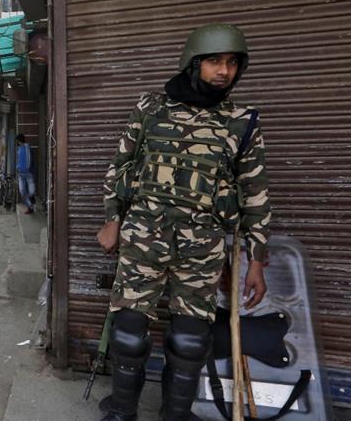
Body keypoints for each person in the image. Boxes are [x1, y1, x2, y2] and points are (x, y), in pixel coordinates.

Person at [95, 24, 270, 421]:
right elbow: (120, 166)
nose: (224, 71)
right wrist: (111, 220)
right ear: (193, 63)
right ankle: (122, 411)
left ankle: (176, 414)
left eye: (232, 63)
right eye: (213, 61)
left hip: (202, 246)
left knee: (191, 339)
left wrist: (256, 260)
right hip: (142, 236)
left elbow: (255, 194)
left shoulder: (242, 122)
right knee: (127, 333)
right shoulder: (151, 108)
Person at [15, 134, 36, 214]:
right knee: (22, 191)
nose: (16, 142)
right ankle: (30, 206)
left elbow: (30, 160)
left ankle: (31, 203)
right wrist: (17, 167)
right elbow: (18, 160)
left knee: (31, 191)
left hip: (29, 173)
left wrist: (30, 170)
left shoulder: (28, 148)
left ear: (19, 140)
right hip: (21, 174)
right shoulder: (18, 149)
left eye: (17, 141)